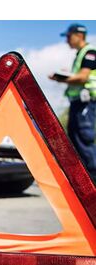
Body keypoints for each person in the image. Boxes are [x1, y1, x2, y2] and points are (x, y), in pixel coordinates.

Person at [50, 23, 96, 180]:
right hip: (78, 103)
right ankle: (84, 179)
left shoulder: (90, 52)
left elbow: (83, 77)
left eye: (69, 36)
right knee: (75, 139)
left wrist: (61, 77)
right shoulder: (80, 55)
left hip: (86, 103)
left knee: (84, 139)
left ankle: (92, 180)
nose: (67, 40)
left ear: (79, 35)